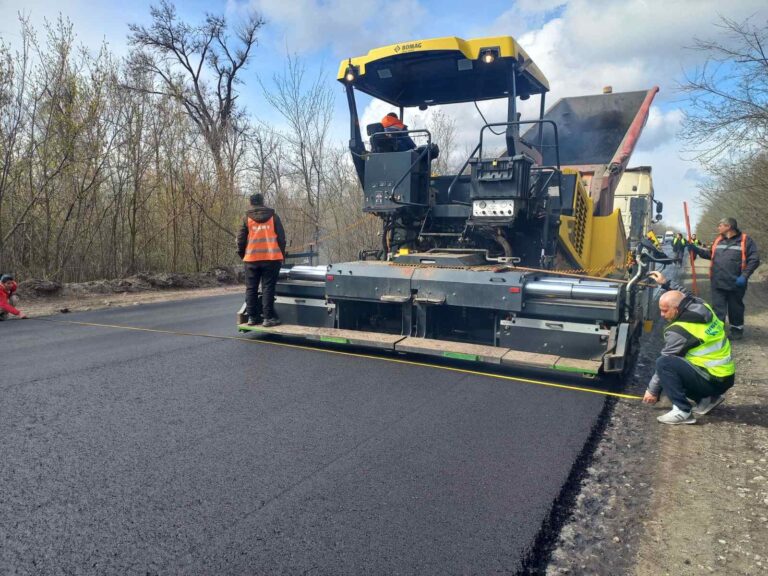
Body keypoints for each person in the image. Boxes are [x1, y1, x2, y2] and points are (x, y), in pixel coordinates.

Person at [642, 271, 735, 424]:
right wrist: (666, 283)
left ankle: (682, 411)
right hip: (725, 376)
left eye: (665, 310)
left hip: (713, 378)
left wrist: (652, 391)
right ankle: (708, 399)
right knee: (681, 361)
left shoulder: (680, 330)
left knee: (665, 364)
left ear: (677, 310)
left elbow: (665, 361)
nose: (662, 314)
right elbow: (686, 295)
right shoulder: (701, 306)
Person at [689, 217, 760, 340]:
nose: (718, 228)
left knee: (735, 308)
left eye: (720, 225)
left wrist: (744, 276)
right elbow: (710, 254)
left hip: (736, 283)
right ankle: (717, 332)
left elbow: (754, 260)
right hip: (717, 281)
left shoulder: (745, 240)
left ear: (728, 226)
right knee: (718, 309)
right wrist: (696, 249)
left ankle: (736, 331)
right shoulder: (718, 240)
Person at [236, 193, 286, 327]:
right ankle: (268, 318)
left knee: (251, 288)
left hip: (251, 259)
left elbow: (240, 240)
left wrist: (243, 255)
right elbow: (281, 238)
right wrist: (282, 254)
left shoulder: (246, 219)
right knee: (268, 288)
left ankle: (252, 317)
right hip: (271, 259)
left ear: (251, 203)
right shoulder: (273, 217)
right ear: (263, 202)